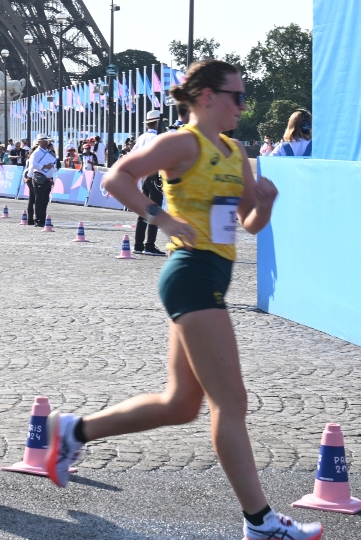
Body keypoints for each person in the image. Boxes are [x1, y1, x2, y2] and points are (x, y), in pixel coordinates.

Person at [48, 60, 321, 540]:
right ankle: (260, 523)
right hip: (191, 277)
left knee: (179, 405)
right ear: (205, 97)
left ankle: (74, 432)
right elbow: (117, 178)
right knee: (231, 401)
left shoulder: (237, 152)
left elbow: (248, 224)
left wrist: (267, 202)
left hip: (213, 273)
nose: (242, 105)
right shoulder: (182, 143)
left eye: (244, 95)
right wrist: (160, 218)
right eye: (235, 96)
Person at [131, 110, 167, 257]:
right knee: (155, 211)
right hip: (155, 176)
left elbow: (132, 154)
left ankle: (138, 244)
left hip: (144, 177)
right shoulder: (157, 138)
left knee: (143, 212)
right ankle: (149, 245)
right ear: (157, 123)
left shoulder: (142, 137)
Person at [24, 136, 58, 226]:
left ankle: (43, 218)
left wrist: (51, 177)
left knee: (45, 200)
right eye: (44, 141)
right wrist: (44, 166)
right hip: (40, 177)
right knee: (39, 199)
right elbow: (33, 164)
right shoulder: (37, 152)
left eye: (47, 141)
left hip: (47, 178)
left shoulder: (47, 152)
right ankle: (38, 220)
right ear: (40, 142)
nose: (46, 143)